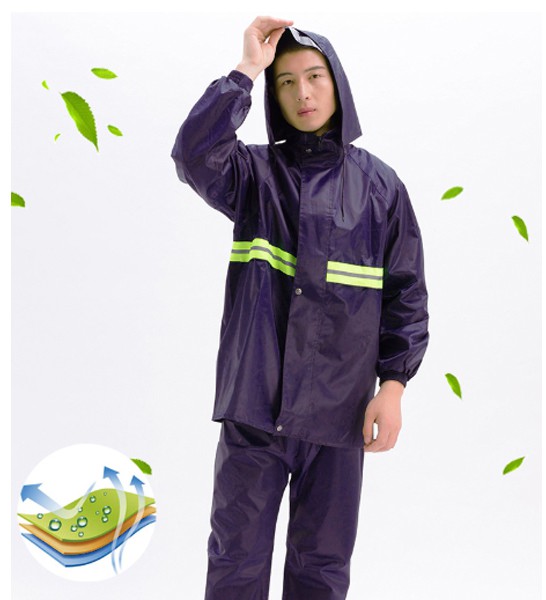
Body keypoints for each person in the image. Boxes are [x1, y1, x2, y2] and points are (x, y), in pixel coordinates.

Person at [172, 16, 429, 600]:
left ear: (338, 83)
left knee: (322, 567)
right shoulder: (254, 174)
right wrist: (246, 70)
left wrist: (393, 386)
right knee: (235, 563)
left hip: (339, 416)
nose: (302, 93)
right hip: (254, 411)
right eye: (286, 82)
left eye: (314, 77)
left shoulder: (381, 188)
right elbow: (193, 154)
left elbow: (407, 295)